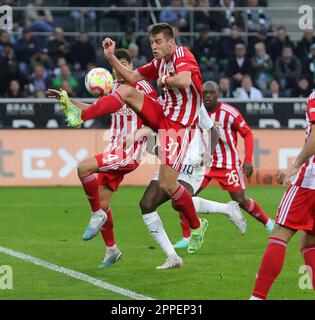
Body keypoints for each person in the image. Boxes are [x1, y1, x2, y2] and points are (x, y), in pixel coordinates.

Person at [55, 23, 208, 268]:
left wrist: (164, 80)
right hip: (162, 115)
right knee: (126, 90)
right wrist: (111, 57)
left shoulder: (183, 55)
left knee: (169, 185)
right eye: (151, 43)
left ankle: (198, 227)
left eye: (158, 42)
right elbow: (133, 77)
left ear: (171, 42)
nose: (154, 47)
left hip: (178, 128)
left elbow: (185, 80)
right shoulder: (158, 63)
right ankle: (80, 117)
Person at [47, 49, 158, 269]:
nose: (119, 70)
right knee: (102, 201)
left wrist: (137, 134)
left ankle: (96, 214)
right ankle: (112, 250)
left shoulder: (143, 87)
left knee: (83, 167)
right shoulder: (113, 89)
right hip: (114, 150)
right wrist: (68, 100)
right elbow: (94, 109)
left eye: (123, 64)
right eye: (115, 66)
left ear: (130, 66)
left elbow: (157, 118)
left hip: (130, 152)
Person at [173, 81, 275, 247]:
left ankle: (268, 222)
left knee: (241, 199)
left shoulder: (229, 112)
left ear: (218, 94)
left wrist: (248, 159)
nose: (207, 96)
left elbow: (247, 134)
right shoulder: (195, 112)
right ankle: (187, 237)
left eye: (211, 92)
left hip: (228, 163)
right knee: (184, 196)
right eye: (205, 92)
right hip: (204, 163)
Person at [250, 91, 315, 300]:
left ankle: (257, 298)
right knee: (309, 241)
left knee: (280, 233)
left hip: (310, 180)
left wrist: (294, 166)